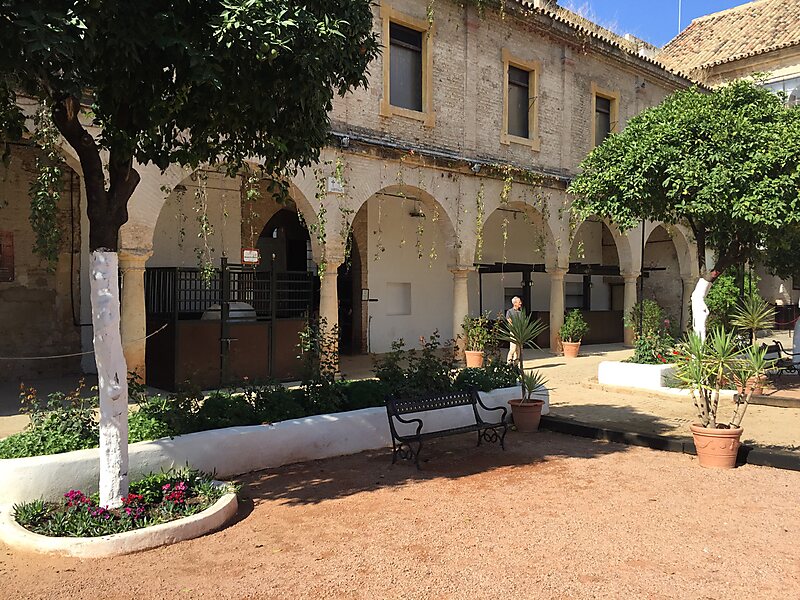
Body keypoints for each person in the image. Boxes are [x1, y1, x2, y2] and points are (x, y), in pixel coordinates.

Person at [506, 296, 523, 363]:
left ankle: (516, 363)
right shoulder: (509, 311)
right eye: (519, 302)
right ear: (515, 303)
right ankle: (509, 362)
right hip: (513, 331)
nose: (520, 303)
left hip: (520, 332)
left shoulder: (520, 312)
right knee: (513, 348)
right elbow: (509, 320)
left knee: (518, 349)